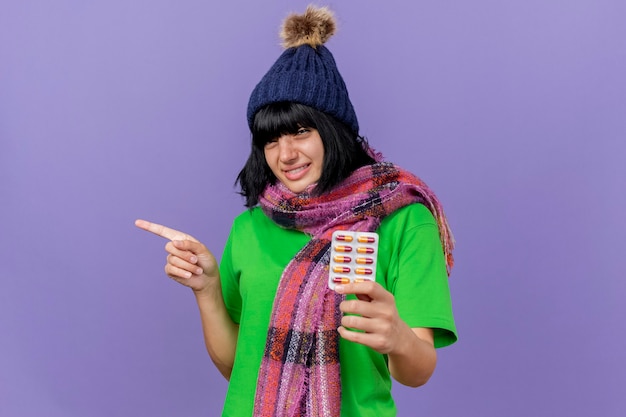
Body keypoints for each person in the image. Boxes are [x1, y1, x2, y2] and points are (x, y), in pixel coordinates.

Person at [136, 5, 456, 417]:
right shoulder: (250, 227)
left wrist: (397, 337)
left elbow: (418, 371)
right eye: (270, 140)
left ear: (333, 130)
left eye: (301, 131)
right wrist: (208, 290)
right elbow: (240, 368)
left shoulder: (403, 220)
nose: (285, 154)